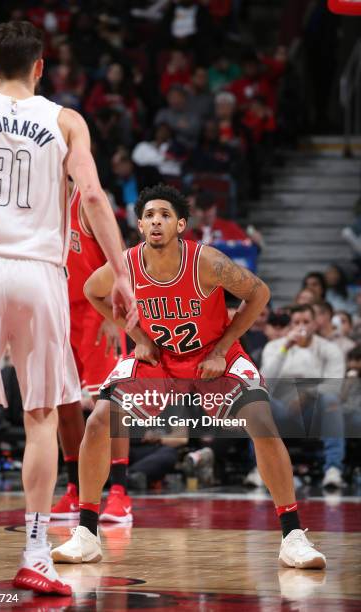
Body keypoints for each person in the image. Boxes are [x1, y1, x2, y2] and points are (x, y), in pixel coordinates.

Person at [51, 183, 326, 570]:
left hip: (214, 357)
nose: (156, 221)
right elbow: (91, 290)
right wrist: (138, 337)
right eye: (148, 215)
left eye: (164, 214)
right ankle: (87, 534)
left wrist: (221, 347)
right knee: (99, 421)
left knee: (262, 422)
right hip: (160, 359)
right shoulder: (126, 265)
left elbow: (259, 294)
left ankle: (293, 535)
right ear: (140, 226)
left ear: (180, 224)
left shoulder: (207, 262)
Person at [0, 20, 137, 594]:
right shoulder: (65, 121)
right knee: (40, 416)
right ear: (39, 67)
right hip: (40, 275)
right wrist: (124, 273)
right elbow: (93, 196)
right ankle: (35, 551)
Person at [51, 185, 132, 524]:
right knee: (63, 404)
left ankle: (119, 492)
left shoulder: (85, 201)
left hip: (95, 312)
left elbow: (121, 255)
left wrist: (114, 315)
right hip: (56, 310)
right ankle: (74, 488)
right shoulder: (32, 199)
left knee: (110, 403)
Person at [261, 304, 346, 489]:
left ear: (315, 324)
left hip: (312, 412)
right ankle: (259, 469)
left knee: (331, 401)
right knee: (257, 401)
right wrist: (285, 348)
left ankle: (333, 469)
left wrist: (308, 394)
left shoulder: (329, 349)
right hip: (280, 410)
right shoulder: (274, 347)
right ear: (290, 324)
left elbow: (335, 385)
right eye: (296, 322)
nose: (301, 326)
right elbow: (263, 384)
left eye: (306, 321)